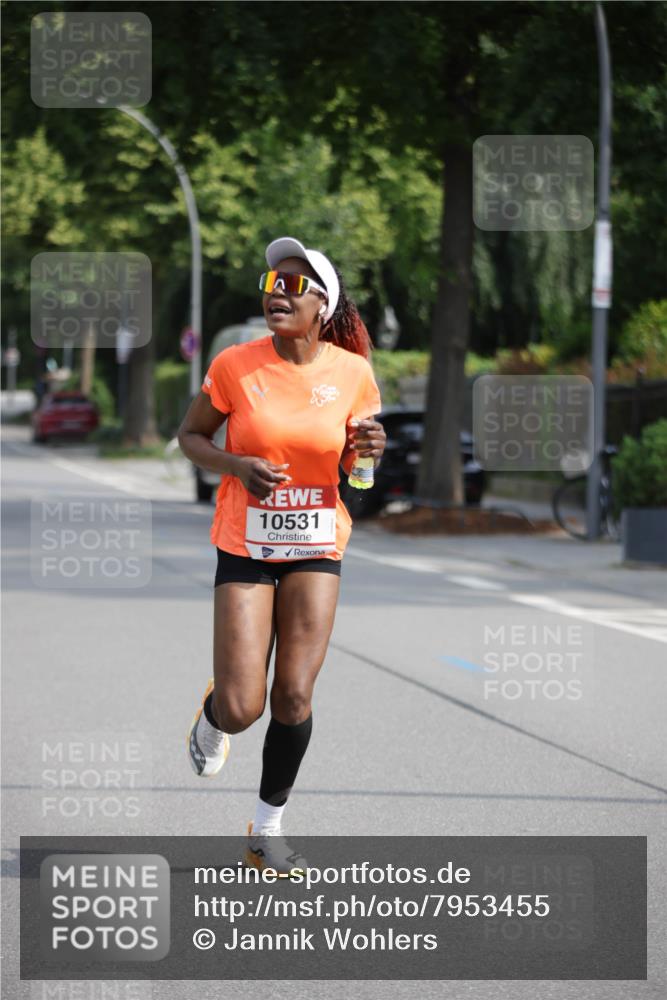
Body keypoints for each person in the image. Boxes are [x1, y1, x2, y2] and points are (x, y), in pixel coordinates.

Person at [178, 237, 386, 875]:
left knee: (294, 696)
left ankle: (267, 830)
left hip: (317, 541)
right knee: (245, 708)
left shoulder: (352, 374)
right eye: (272, 281)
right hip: (246, 540)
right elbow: (190, 436)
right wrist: (236, 464)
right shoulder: (236, 365)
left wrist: (368, 451)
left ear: (324, 304)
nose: (277, 293)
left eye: (294, 286)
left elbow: (361, 480)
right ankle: (215, 711)